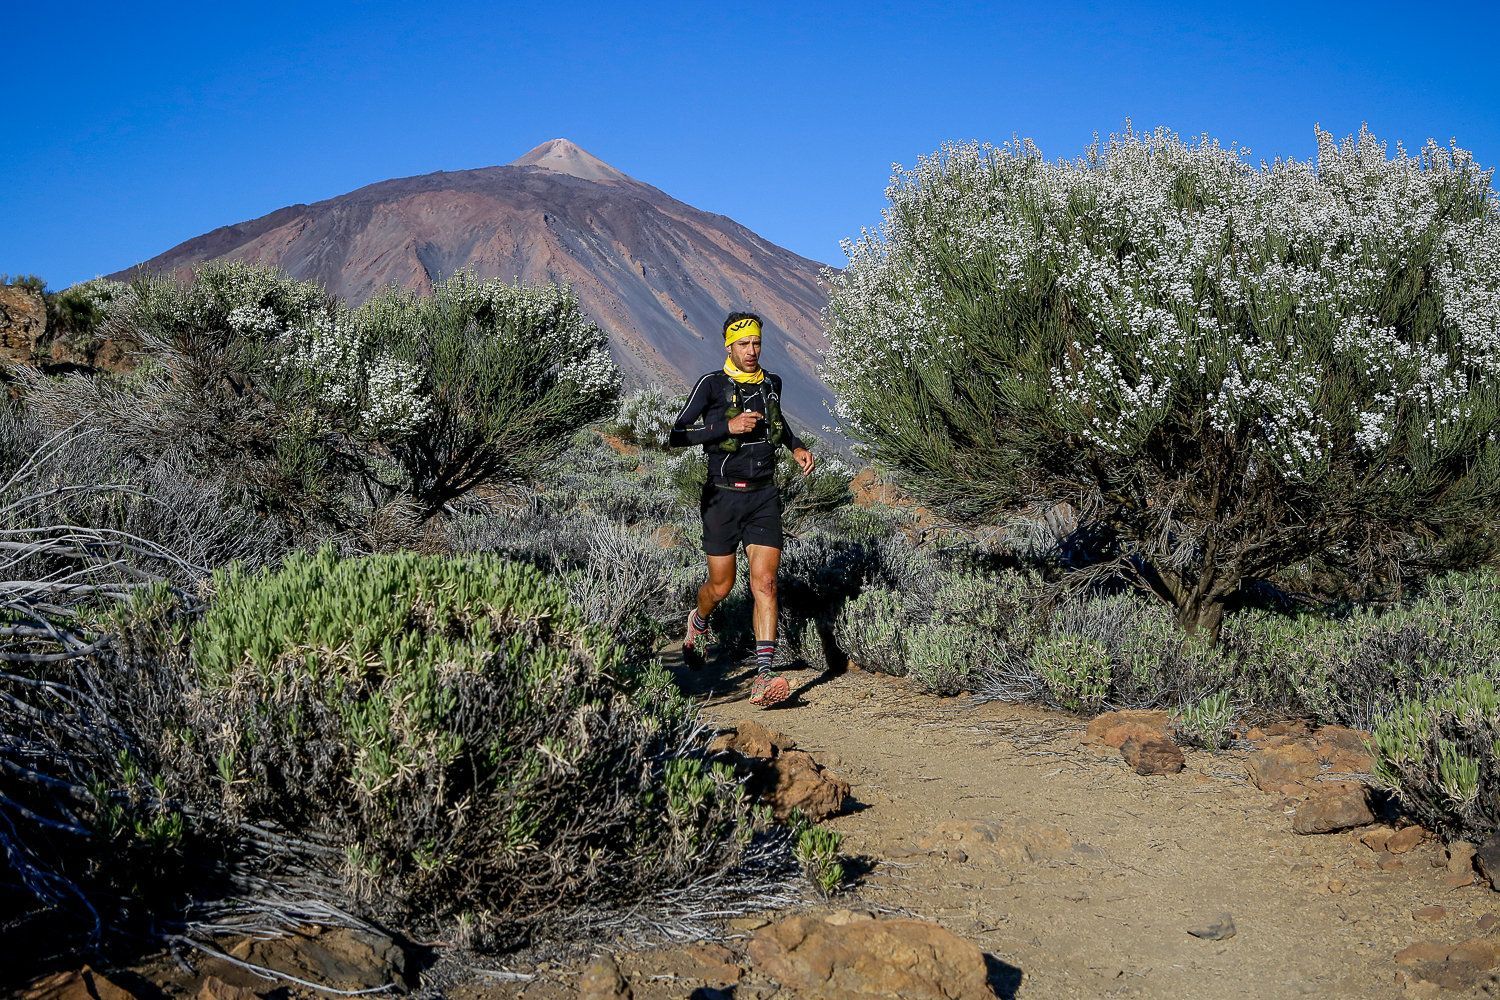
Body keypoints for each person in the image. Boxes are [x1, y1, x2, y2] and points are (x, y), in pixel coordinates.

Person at [668, 312, 815, 707]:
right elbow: (676, 434)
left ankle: (764, 677)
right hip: (721, 498)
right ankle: (698, 622)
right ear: (729, 346)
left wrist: (796, 446)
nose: (751, 351)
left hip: (764, 496)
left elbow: (778, 423)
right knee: (721, 586)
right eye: (743, 344)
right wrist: (724, 429)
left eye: (756, 343)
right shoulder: (711, 385)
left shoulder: (771, 383)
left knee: (765, 584)